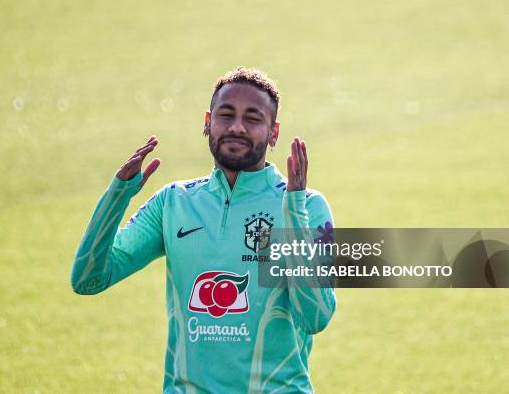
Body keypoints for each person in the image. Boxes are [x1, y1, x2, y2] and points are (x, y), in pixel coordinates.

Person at [70, 67, 336, 393]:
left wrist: (293, 210)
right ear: (207, 122)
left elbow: (316, 317)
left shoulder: (308, 204)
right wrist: (117, 195)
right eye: (226, 115)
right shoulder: (173, 203)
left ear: (273, 132)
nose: (237, 127)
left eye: (253, 118)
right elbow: (87, 280)